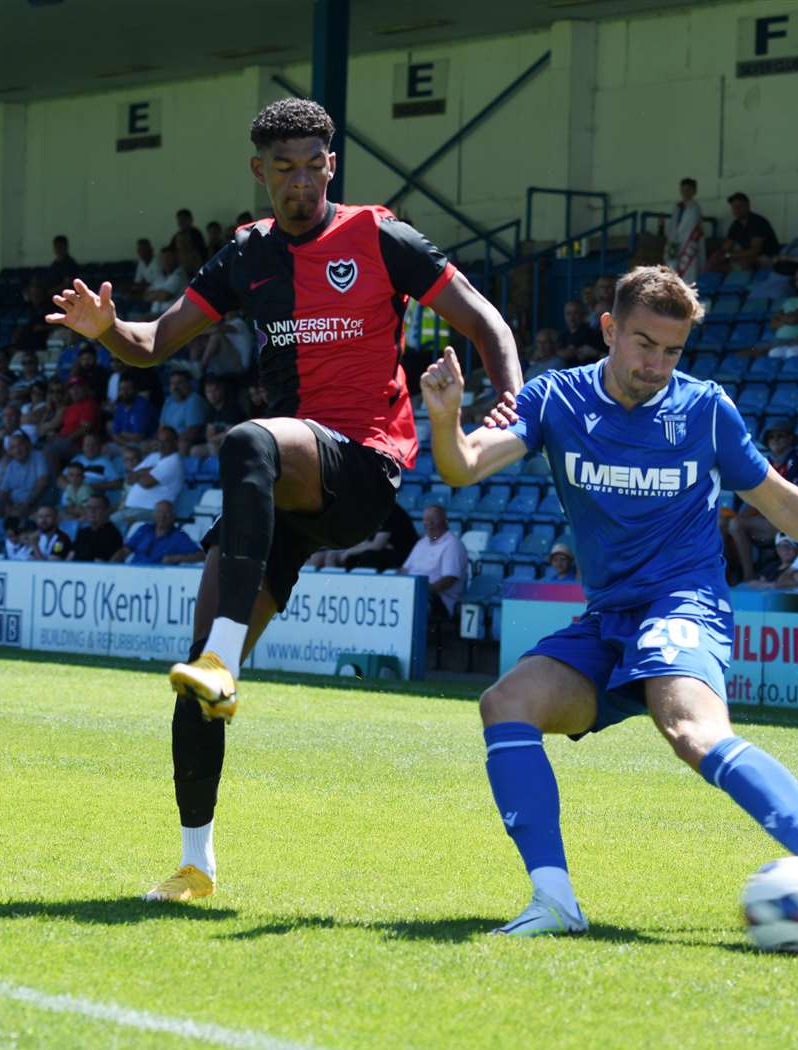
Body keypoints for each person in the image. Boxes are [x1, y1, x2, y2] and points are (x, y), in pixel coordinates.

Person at [46, 97, 522, 903]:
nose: (300, 182)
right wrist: (103, 328)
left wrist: (509, 397)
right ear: (259, 171)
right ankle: (196, 863)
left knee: (246, 442)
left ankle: (224, 659)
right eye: (284, 168)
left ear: (330, 164)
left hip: (361, 471)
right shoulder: (243, 259)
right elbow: (152, 346)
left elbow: (483, 321)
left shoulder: (380, 237)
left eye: (313, 165)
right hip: (281, 496)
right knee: (192, 677)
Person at [418, 263, 798, 944]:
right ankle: (554, 900)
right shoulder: (557, 399)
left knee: (693, 732)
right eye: (645, 344)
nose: (657, 364)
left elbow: (777, 500)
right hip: (609, 619)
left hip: (685, 604)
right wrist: (446, 422)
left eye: (672, 350)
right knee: (506, 704)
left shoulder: (704, 409)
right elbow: (464, 466)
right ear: (610, 329)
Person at [724, 417, 798, 584]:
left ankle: (748, 576)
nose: (775, 440)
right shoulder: (764, 463)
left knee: (736, 524)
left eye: (780, 436)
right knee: (721, 522)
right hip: (765, 519)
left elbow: (790, 501)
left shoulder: (796, 463)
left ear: (790, 439)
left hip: (788, 523)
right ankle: (725, 576)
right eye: (771, 437)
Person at [401, 504, 468, 616]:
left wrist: (420, 590)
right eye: (426, 520)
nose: (429, 524)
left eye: (433, 520)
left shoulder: (452, 544)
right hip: (412, 593)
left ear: (445, 522)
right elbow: (404, 570)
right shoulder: (422, 543)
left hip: (438, 600)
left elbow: (448, 580)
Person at [118, 426, 185, 527]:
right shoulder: (155, 456)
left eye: (166, 441)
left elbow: (146, 483)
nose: (162, 445)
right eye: (160, 441)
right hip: (132, 509)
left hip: (151, 512)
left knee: (109, 523)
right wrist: (146, 472)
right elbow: (130, 477)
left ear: (175, 442)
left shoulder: (173, 461)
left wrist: (143, 473)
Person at [117, 500, 204, 566]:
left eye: (166, 513)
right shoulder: (144, 529)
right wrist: (111, 565)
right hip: (133, 572)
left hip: (158, 579)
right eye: (159, 512)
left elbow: (201, 555)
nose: (162, 516)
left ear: (173, 516)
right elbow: (125, 550)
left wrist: (176, 558)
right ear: (154, 515)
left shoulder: (179, 536)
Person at [712, 192, 778, 272]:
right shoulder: (736, 224)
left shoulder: (758, 222)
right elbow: (726, 246)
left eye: (740, 206)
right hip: (746, 255)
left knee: (746, 263)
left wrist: (728, 255)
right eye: (734, 207)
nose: (737, 210)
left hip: (767, 256)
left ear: (747, 206)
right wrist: (718, 255)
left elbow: (754, 251)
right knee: (713, 261)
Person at [665, 178, 704, 283]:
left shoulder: (695, 208)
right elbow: (673, 229)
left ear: (694, 191)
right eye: (683, 190)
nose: (685, 193)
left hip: (689, 247)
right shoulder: (677, 207)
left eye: (688, 190)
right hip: (674, 245)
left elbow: (693, 230)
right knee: (672, 274)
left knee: (688, 275)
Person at [70, 493, 125, 562]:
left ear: (107, 511)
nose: (92, 511)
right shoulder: (83, 532)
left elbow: (100, 564)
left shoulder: (111, 535)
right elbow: (71, 556)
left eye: (97, 508)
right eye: (89, 507)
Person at [558, 299, 604, 366]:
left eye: (575, 313)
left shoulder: (594, 335)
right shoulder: (563, 336)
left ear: (583, 315)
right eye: (568, 313)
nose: (571, 318)